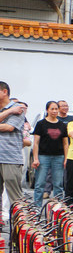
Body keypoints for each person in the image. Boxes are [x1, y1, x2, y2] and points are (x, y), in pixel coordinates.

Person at [31, 100, 68, 206]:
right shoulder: (41, 124)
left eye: (56, 109)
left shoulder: (62, 125)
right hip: (43, 156)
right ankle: (37, 207)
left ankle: (57, 208)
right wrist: (36, 158)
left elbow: (65, 143)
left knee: (58, 184)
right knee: (40, 183)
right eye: (52, 109)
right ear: (47, 110)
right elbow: (36, 143)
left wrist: (66, 158)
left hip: (58, 157)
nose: (54, 111)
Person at [0, 81, 28, 219]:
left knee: (15, 197)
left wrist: (11, 110)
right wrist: (9, 112)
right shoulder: (13, 110)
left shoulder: (18, 108)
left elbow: (9, 128)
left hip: (10, 157)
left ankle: (21, 230)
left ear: (4, 92)